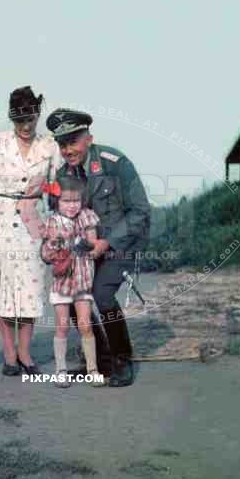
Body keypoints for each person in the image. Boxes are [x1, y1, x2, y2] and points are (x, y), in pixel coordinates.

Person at [46, 108, 150, 387]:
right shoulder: (61, 175)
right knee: (70, 298)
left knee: (102, 295)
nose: (67, 150)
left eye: (73, 141)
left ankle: (121, 358)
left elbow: (140, 212)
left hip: (120, 245)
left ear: (88, 139)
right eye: (62, 143)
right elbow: (57, 217)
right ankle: (98, 360)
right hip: (83, 250)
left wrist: (107, 242)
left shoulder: (114, 163)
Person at [0, 86, 61, 376]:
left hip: (33, 222)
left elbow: (56, 188)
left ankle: (25, 352)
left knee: (32, 289)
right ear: (11, 118)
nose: (26, 127)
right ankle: (9, 355)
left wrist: (45, 191)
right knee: (4, 290)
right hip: (0, 223)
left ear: (37, 116)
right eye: (20, 121)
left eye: (31, 120)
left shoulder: (49, 146)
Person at [41, 176, 105, 388]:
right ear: (56, 201)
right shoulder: (51, 221)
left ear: (82, 200)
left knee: (86, 325)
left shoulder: (86, 216)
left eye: (76, 200)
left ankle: (92, 369)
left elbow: (93, 242)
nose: (72, 205)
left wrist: (79, 242)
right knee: (62, 326)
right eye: (66, 201)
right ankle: (61, 370)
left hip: (83, 279)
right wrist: (53, 247)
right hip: (62, 281)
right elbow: (45, 254)